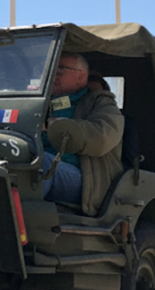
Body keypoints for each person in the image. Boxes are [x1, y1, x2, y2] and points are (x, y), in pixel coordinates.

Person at [41, 53, 124, 216]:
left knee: (39, 163)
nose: (54, 73)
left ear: (81, 76)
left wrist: (57, 126)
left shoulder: (101, 103)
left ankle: (16, 224)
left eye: (61, 69)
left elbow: (102, 137)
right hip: (48, 166)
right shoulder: (42, 102)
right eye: (53, 68)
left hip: (88, 181)